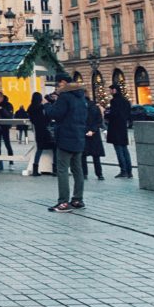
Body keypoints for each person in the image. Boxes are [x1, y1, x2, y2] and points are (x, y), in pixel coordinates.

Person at [45, 73, 89, 212]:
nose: (57, 88)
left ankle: (63, 202)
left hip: (66, 137)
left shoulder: (65, 96)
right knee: (77, 169)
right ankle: (77, 199)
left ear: (63, 82)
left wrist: (47, 106)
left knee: (62, 169)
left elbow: (56, 114)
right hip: (79, 137)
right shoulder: (81, 97)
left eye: (57, 84)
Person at [106, 84, 133, 179]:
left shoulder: (114, 101)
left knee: (119, 150)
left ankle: (123, 171)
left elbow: (114, 114)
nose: (110, 92)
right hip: (123, 127)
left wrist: (106, 115)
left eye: (110, 90)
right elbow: (129, 114)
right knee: (125, 149)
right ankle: (129, 171)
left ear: (114, 90)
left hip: (115, 127)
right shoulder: (126, 101)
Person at [28, 92, 55, 176]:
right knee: (54, 148)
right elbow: (48, 117)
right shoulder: (41, 107)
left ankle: (35, 169)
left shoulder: (30, 108)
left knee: (39, 149)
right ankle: (55, 169)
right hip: (45, 131)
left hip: (38, 131)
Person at [82, 96, 105, 181]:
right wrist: (93, 130)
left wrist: (86, 131)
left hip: (84, 133)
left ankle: (84, 174)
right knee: (96, 156)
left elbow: (80, 121)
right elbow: (99, 121)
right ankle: (99, 174)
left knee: (83, 156)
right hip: (95, 134)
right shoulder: (95, 107)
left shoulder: (81, 107)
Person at [0, 91, 14, 167]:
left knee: (7, 144)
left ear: (2, 97)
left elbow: (9, 115)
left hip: (5, 127)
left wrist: (2, 109)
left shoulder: (8, 105)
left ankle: (11, 162)